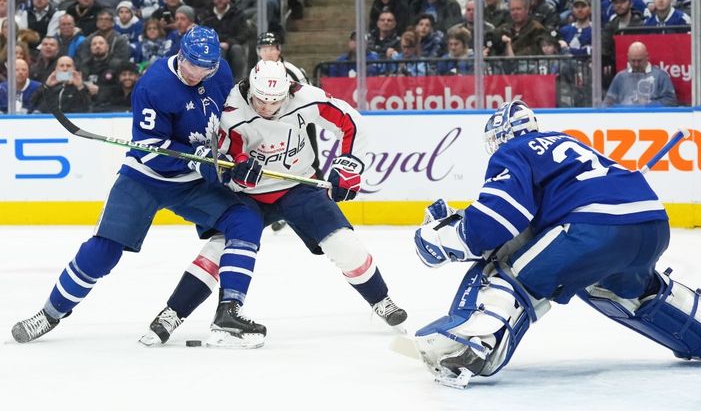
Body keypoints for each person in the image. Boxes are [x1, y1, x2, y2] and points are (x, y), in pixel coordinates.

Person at [411, 100, 701, 388]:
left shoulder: (513, 151)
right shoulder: (570, 144)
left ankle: (475, 345)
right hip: (652, 224)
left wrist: (449, 236)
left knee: (510, 272)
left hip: (594, 228)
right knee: (618, 288)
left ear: (501, 136)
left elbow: (500, 217)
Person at [13, 27, 267, 350]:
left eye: (206, 67)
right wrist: (195, 158)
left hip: (191, 183)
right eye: (192, 65)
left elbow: (231, 118)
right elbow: (150, 148)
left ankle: (229, 312)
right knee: (104, 251)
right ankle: (49, 313)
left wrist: (237, 156)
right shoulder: (154, 84)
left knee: (245, 219)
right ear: (181, 54)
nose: (197, 74)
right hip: (144, 178)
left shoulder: (220, 73)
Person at [138, 60, 408, 346]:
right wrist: (237, 170)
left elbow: (353, 123)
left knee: (345, 244)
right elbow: (220, 163)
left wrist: (348, 166)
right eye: (260, 101)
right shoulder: (231, 111)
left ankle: (382, 300)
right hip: (247, 197)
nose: (266, 108)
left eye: (274, 102)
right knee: (219, 250)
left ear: (288, 91)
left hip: (298, 186)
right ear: (249, 89)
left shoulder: (305, 98)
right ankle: (172, 313)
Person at [255, 31, 312, 232]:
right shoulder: (256, 72)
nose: (268, 52)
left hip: (295, 128)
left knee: (305, 166)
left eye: (271, 48)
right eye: (264, 48)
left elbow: (309, 99)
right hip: (267, 128)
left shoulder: (292, 71)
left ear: (278, 50)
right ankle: (275, 208)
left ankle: (309, 207)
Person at [603, 41, 677, 107]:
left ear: (647, 57)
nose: (636, 64)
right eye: (633, 61)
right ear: (628, 57)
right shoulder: (620, 77)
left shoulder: (661, 76)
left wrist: (648, 105)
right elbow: (608, 102)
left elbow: (671, 101)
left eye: (639, 61)